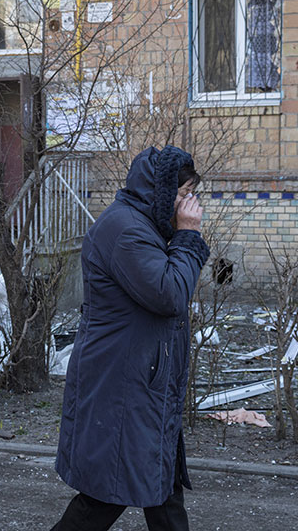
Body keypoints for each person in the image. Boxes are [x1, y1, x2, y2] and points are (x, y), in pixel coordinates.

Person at [51, 146, 211, 531]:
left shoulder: (143, 224)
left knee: (163, 490)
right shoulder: (125, 230)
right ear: (158, 191)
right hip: (122, 388)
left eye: (192, 194)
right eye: (182, 193)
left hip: (142, 384)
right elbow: (169, 294)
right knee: (103, 499)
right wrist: (188, 237)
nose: (189, 204)